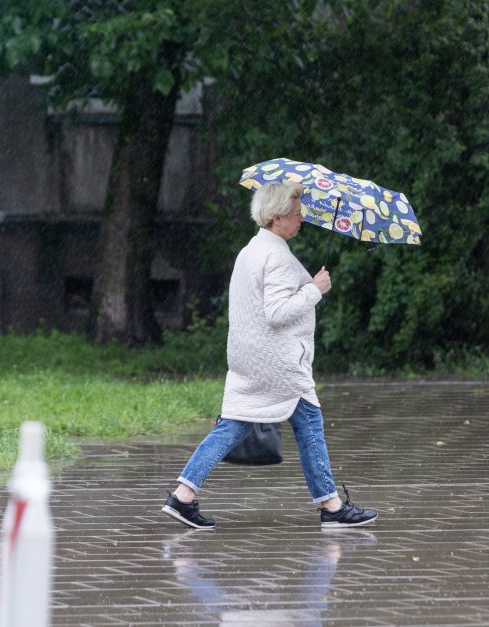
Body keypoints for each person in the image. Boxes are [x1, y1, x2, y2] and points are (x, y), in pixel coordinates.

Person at [161, 181, 378, 530]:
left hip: (249, 358)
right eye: (296, 214)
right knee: (309, 423)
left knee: (232, 424)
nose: (302, 220)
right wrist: (314, 290)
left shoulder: (251, 250)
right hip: (279, 362)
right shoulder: (276, 256)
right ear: (277, 218)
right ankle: (332, 508)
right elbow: (277, 312)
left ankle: (182, 496)